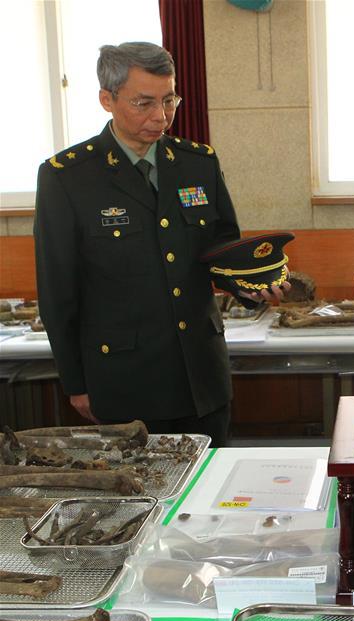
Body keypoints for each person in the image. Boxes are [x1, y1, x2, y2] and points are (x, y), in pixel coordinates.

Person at [33, 42, 286, 445]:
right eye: (144, 102)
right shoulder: (68, 177)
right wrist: (75, 382)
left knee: (210, 498)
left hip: (201, 378)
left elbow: (223, 250)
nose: (161, 116)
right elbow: (57, 290)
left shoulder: (197, 163)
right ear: (107, 99)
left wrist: (254, 287)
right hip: (124, 381)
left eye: (170, 100)